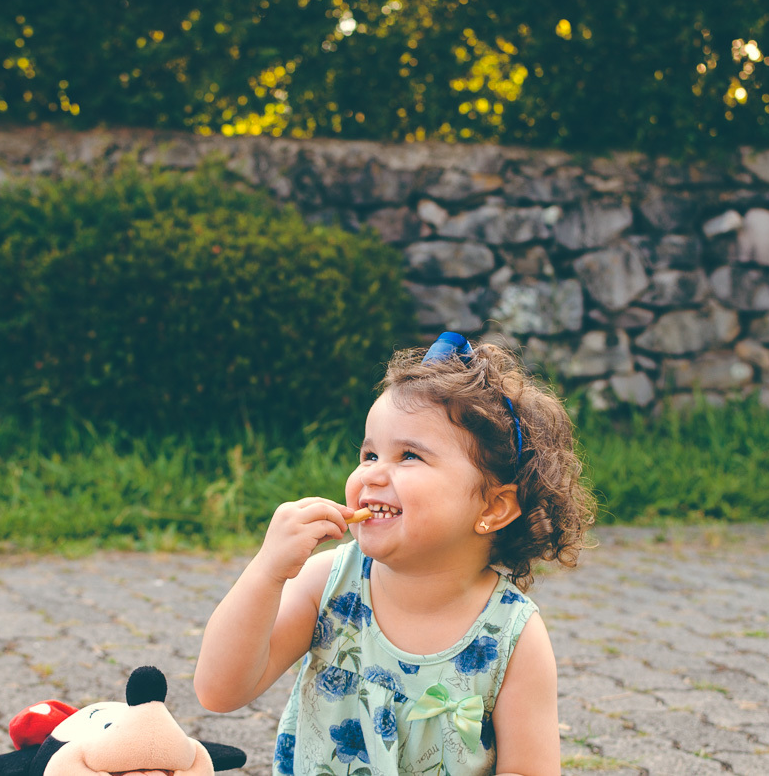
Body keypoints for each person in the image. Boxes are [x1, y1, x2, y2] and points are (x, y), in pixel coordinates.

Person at [194, 332, 595, 775]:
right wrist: (267, 572)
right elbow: (220, 691)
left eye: (408, 456)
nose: (373, 474)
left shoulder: (510, 635)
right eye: (368, 454)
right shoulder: (327, 583)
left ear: (492, 507)